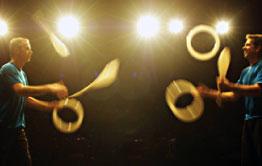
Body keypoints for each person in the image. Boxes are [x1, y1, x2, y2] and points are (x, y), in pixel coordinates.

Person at [0, 37, 68, 166]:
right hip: (3, 128)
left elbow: (25, 99)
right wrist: (50, 87)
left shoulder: (22, 74)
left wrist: (49, 106)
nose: (31, 51)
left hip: (17, 129)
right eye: (27, 48)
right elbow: (20, 91)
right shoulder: (8, 69)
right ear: (17, 50)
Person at [197, 34, 262, 166]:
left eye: (248, 44)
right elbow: (234, 95)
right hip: (249, 122)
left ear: (258, 48)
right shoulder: (245, 72)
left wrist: (229, 85)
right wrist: (209, 93)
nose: (243, 47)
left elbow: (258, 90)